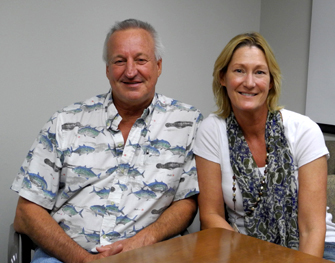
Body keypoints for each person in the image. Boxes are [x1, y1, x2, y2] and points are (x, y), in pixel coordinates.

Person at [11, 18, 202, 263]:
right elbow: (26, 213)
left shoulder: (188, 123)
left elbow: (187, 202)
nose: (130, 71)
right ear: (108, 70)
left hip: (150, 255)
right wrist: (84, 260)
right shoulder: (64, 122)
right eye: (119, 61)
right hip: (64, 256)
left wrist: (140, 243)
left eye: (141, 60)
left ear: (158, 66)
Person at [193, 32, 335, 263]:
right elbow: (211, 215)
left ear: (271, 82)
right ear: (222, 77)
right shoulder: (211, 130)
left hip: (313, 245)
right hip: (243, 245)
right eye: (239, 70)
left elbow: (311, 229)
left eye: (260, 72)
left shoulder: (304, 130)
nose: (250, 82)